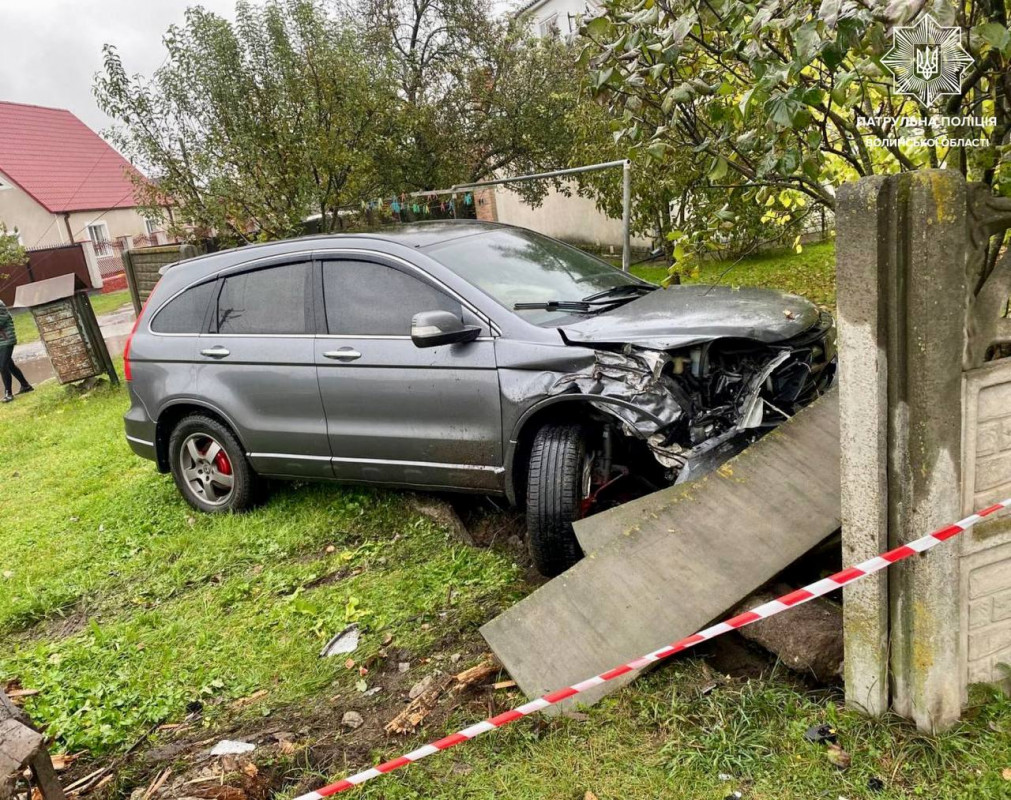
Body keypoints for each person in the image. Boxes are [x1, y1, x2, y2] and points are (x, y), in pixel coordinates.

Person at [0, 299, 32, 403]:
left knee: (3, 366)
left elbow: (1, 321)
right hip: (1, 341)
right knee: (10, 366)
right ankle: (25, 385)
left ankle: (8, 394)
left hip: (6, 340)